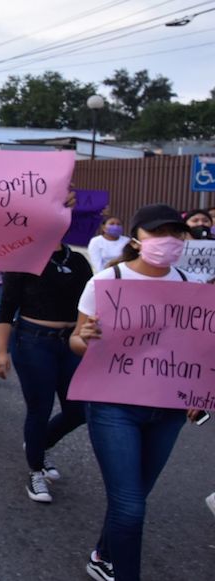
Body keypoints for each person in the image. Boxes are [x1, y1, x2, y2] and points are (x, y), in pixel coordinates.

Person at [70, 204, 207, 581]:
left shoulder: (191, 285)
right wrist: (85, 338)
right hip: (114, 407)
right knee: (130, 506)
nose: (168, 240)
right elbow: (76, 341)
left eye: (175, 233)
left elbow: (198, 350)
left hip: (167, 410)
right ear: (136, 239)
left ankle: (102, 555)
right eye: (158, 232)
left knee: (132, 498)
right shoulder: (106, 281)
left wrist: (200, 392)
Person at [0, 243, 93, 503]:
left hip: (71, 343)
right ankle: (35, 470)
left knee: (78, 410)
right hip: (33, 342)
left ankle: (39, 443)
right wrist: (2, 352)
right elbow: (6, 309)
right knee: (40, 408)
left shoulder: (78, 261)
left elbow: (92, 303)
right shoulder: (24, 259)